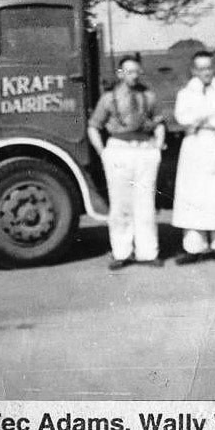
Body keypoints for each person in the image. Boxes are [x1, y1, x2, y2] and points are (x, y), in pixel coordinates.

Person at [87, 54, 165, 270]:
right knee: (120, 204)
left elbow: (159, 123)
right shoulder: (108, 98)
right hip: (118, 151)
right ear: (120, 73)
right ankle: (121, 252)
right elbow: (94, 125)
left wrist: (157, 146)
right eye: (129, 71)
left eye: (136, 71)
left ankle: (148, 252)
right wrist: (103, 152)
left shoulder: (149, 96)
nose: (133, 76)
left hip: (144, 150)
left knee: (145, 203)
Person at [172, 51, 215, 265]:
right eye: (201, 68)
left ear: (214, 68)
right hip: (194, 147)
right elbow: (182, 117)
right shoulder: (185, 93)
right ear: (193, 70)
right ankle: (194, 247)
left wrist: (199, 119)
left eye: (209, 67)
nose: (206, 72)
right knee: (193, 197)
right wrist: (210, 116)